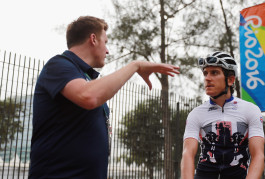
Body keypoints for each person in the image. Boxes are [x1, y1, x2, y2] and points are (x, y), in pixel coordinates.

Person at [29, 16, 179, 179]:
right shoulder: (58, 65)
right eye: (105, 42)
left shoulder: (86, 78)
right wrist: (135, 65)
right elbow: (88, 96)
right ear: (93, 39)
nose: (107, 50)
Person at [180, 51, 265, 179]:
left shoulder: (251, 110)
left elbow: (258, 155)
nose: (207, 78)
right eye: (205, 73)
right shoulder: (195, 114)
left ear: (230, 80)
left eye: (214, 72)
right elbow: (187, 154)